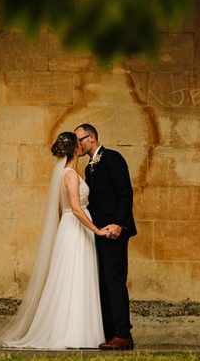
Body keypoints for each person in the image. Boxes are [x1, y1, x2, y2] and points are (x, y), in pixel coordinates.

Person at [0, 132, 106, 349]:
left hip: (69, 227)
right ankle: (74, 334)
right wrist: (96, 230)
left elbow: (61, 211)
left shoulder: (63, 174)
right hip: (77, 226)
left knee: (72, 278)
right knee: (76, 277)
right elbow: (75, 208)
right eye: (79, 143)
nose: (82, 145)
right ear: (76, 149)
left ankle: (75, 331)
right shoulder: (70, 175)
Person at [75, 123, 136, 350]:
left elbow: (125, 192)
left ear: (91, 138)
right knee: (102, 282)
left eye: (79, 139)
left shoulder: (112, 158)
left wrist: (119, 224)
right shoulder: (89, 167)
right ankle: (110, 334)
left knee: (114, 280)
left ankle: (123, 334)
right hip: (98, 231)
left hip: (114, 232)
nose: (77, 145)